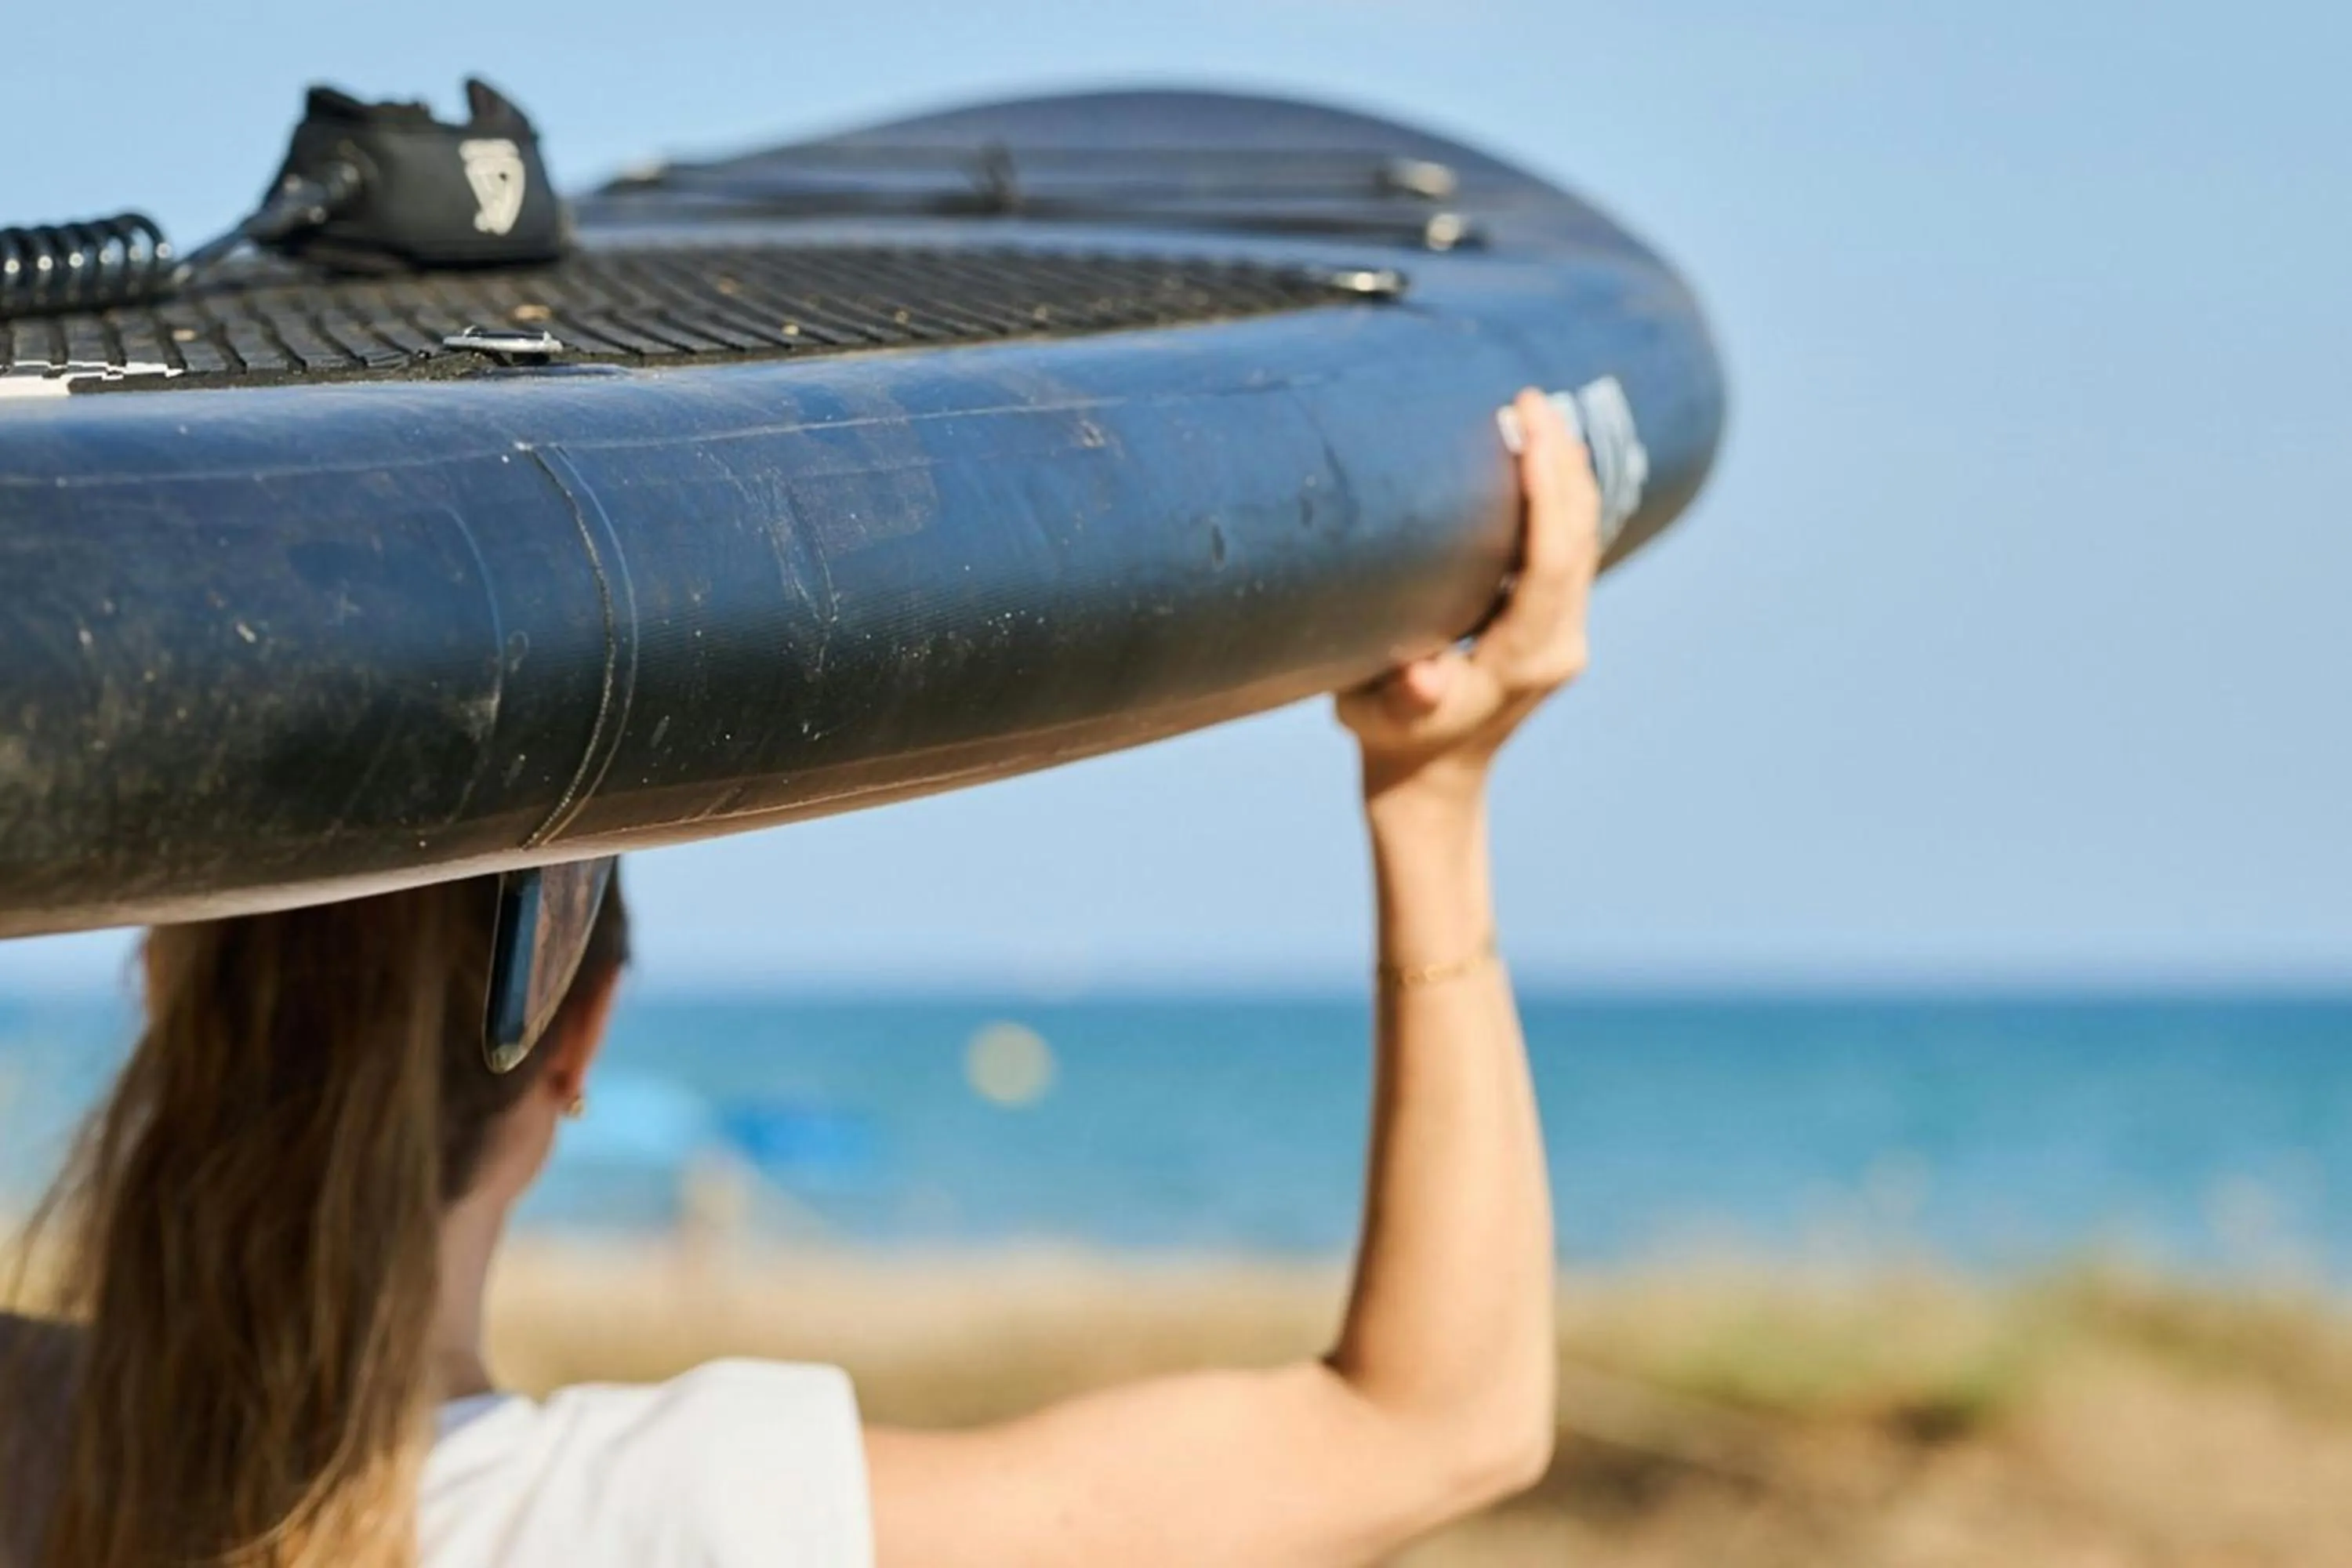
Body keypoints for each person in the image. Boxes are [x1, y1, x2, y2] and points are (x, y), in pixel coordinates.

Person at [0, 388, 1602, 1568]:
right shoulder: (659, 1515)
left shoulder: (30, 1436)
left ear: (161, 973)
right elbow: (1436, 1429)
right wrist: (1431, 800)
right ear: (581, 1042)